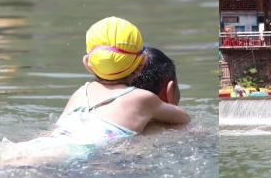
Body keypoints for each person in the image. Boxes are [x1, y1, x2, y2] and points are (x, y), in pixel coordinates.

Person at [52, 17, 190, 145]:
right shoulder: (143, 98)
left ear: (87, 63)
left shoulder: (80, 93)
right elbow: (183, 119)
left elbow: (56, 130)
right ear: (141, 63)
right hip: (81, 155)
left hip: (44, 145)